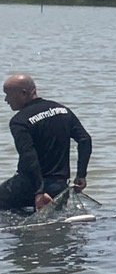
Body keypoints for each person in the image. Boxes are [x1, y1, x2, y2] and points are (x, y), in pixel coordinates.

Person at [2, 73, 92, 214]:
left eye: (8, 95)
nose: (6, 100)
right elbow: (85, 140)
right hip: (60, 186)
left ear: (23, 93)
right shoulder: (62, 110)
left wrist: (39, 191)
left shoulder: (19, 121)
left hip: (30, 186)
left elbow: (29, 157)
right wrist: (81, 175)